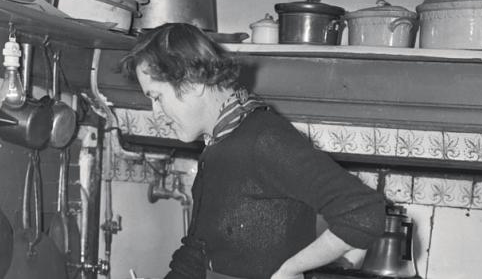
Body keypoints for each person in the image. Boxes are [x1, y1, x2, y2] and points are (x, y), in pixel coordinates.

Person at [121, 23, 386, 279]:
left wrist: (291, 270)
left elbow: (363, 212)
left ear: (193, 81)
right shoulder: (217, 146)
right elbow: (196, 255)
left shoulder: (264, 139)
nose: (156, 112)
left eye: (157, 97)